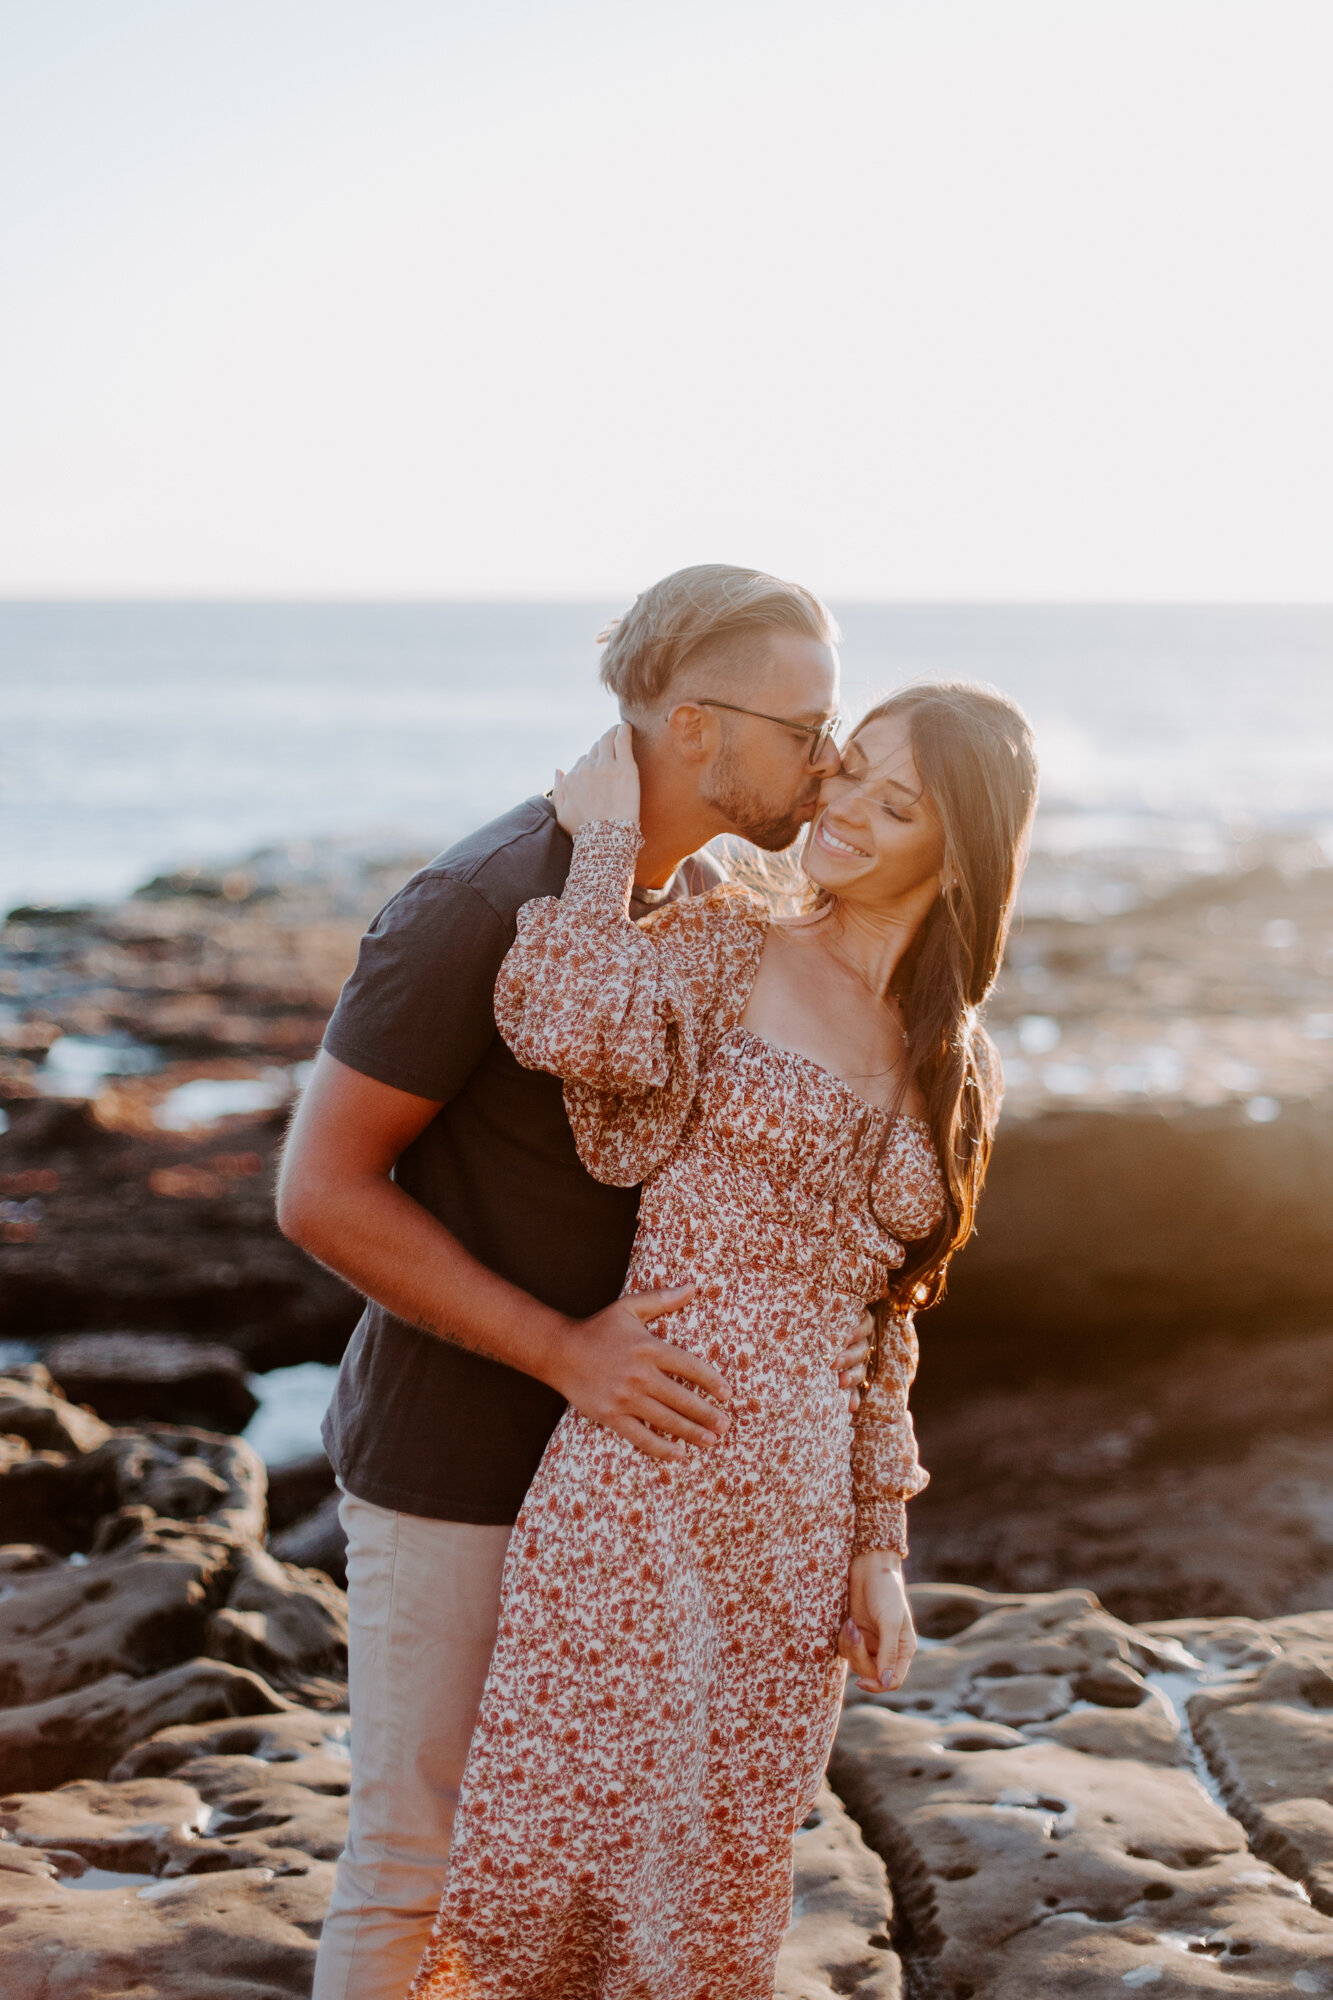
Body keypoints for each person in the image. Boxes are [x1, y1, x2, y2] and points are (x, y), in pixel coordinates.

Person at [276, 565, 876, 2000]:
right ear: (690, 724)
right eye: (804, 725)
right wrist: (563, 1350)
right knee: (420, 1861)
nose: (831, 756)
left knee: (582, 1878)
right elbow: (320, 1190)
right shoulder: (476, 903)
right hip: (464, 1460)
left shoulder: (710, 900)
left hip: (628, 1484)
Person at [408, 681, 1038, 2000]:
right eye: (845, 771)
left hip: (794, 1531)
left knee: (716, 1876)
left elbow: (885, 1327)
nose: (845, 810)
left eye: (894, 800)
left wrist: (875, 1547)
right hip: (641, 1470)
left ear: (960, 844)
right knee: (556, 1857)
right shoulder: (729, 944)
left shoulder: (952, 1060)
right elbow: (561, 1018)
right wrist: (595, 849)